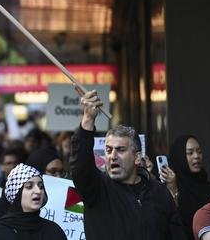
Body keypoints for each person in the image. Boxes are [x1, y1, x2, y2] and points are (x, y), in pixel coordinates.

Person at [71, 89, 186, 240]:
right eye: (108, 150)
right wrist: (87, 120)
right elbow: (80, 168)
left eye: (120, 150)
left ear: (137, 158)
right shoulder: (97, 188)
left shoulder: (159, 192)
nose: (113, 156)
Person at [0, 163, 67, 240]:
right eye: (29, 186)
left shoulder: (54, 231)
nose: (38, 191)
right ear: (17, 193)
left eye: (41, 186)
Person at [160, 135, 210, 240]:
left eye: (199, 152)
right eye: (190, 153)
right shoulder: (166, 187)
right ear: (179, 156)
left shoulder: (208, 187)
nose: (196, 156)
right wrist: (173, 190)